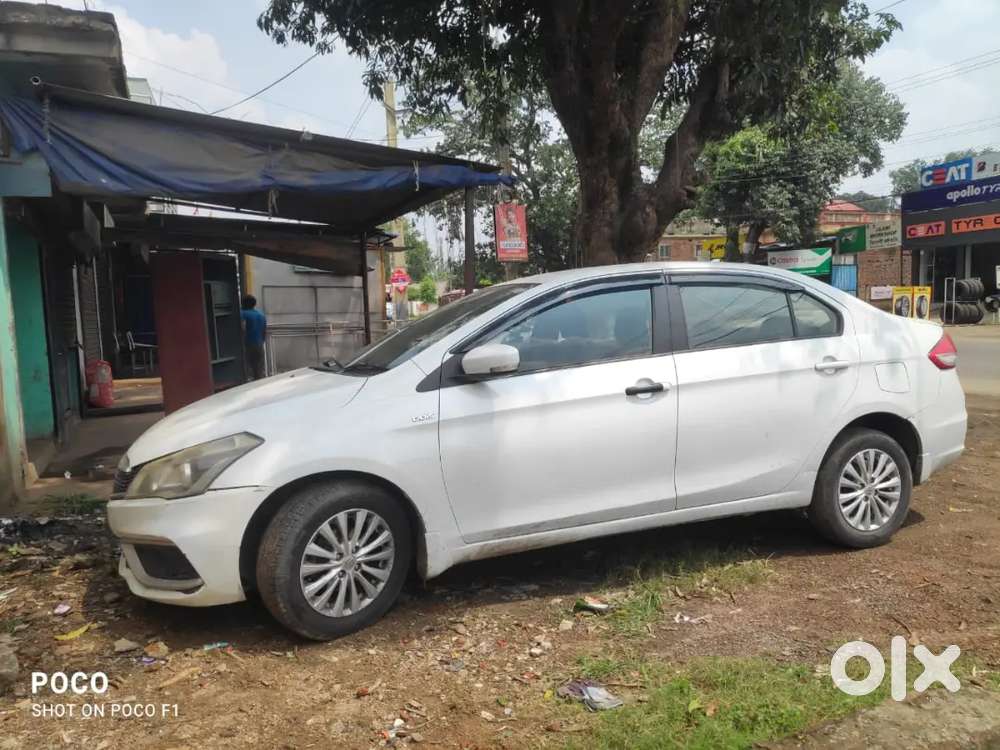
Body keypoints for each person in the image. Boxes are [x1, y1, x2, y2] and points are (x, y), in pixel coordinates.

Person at [240, 294, 267, 380]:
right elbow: (264, 331)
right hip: (259, 345)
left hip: (247, 345)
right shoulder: (261, 315)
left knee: (247, 371)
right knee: (259, 371)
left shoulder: (242, 314)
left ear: (243, 303)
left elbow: (242, 329)